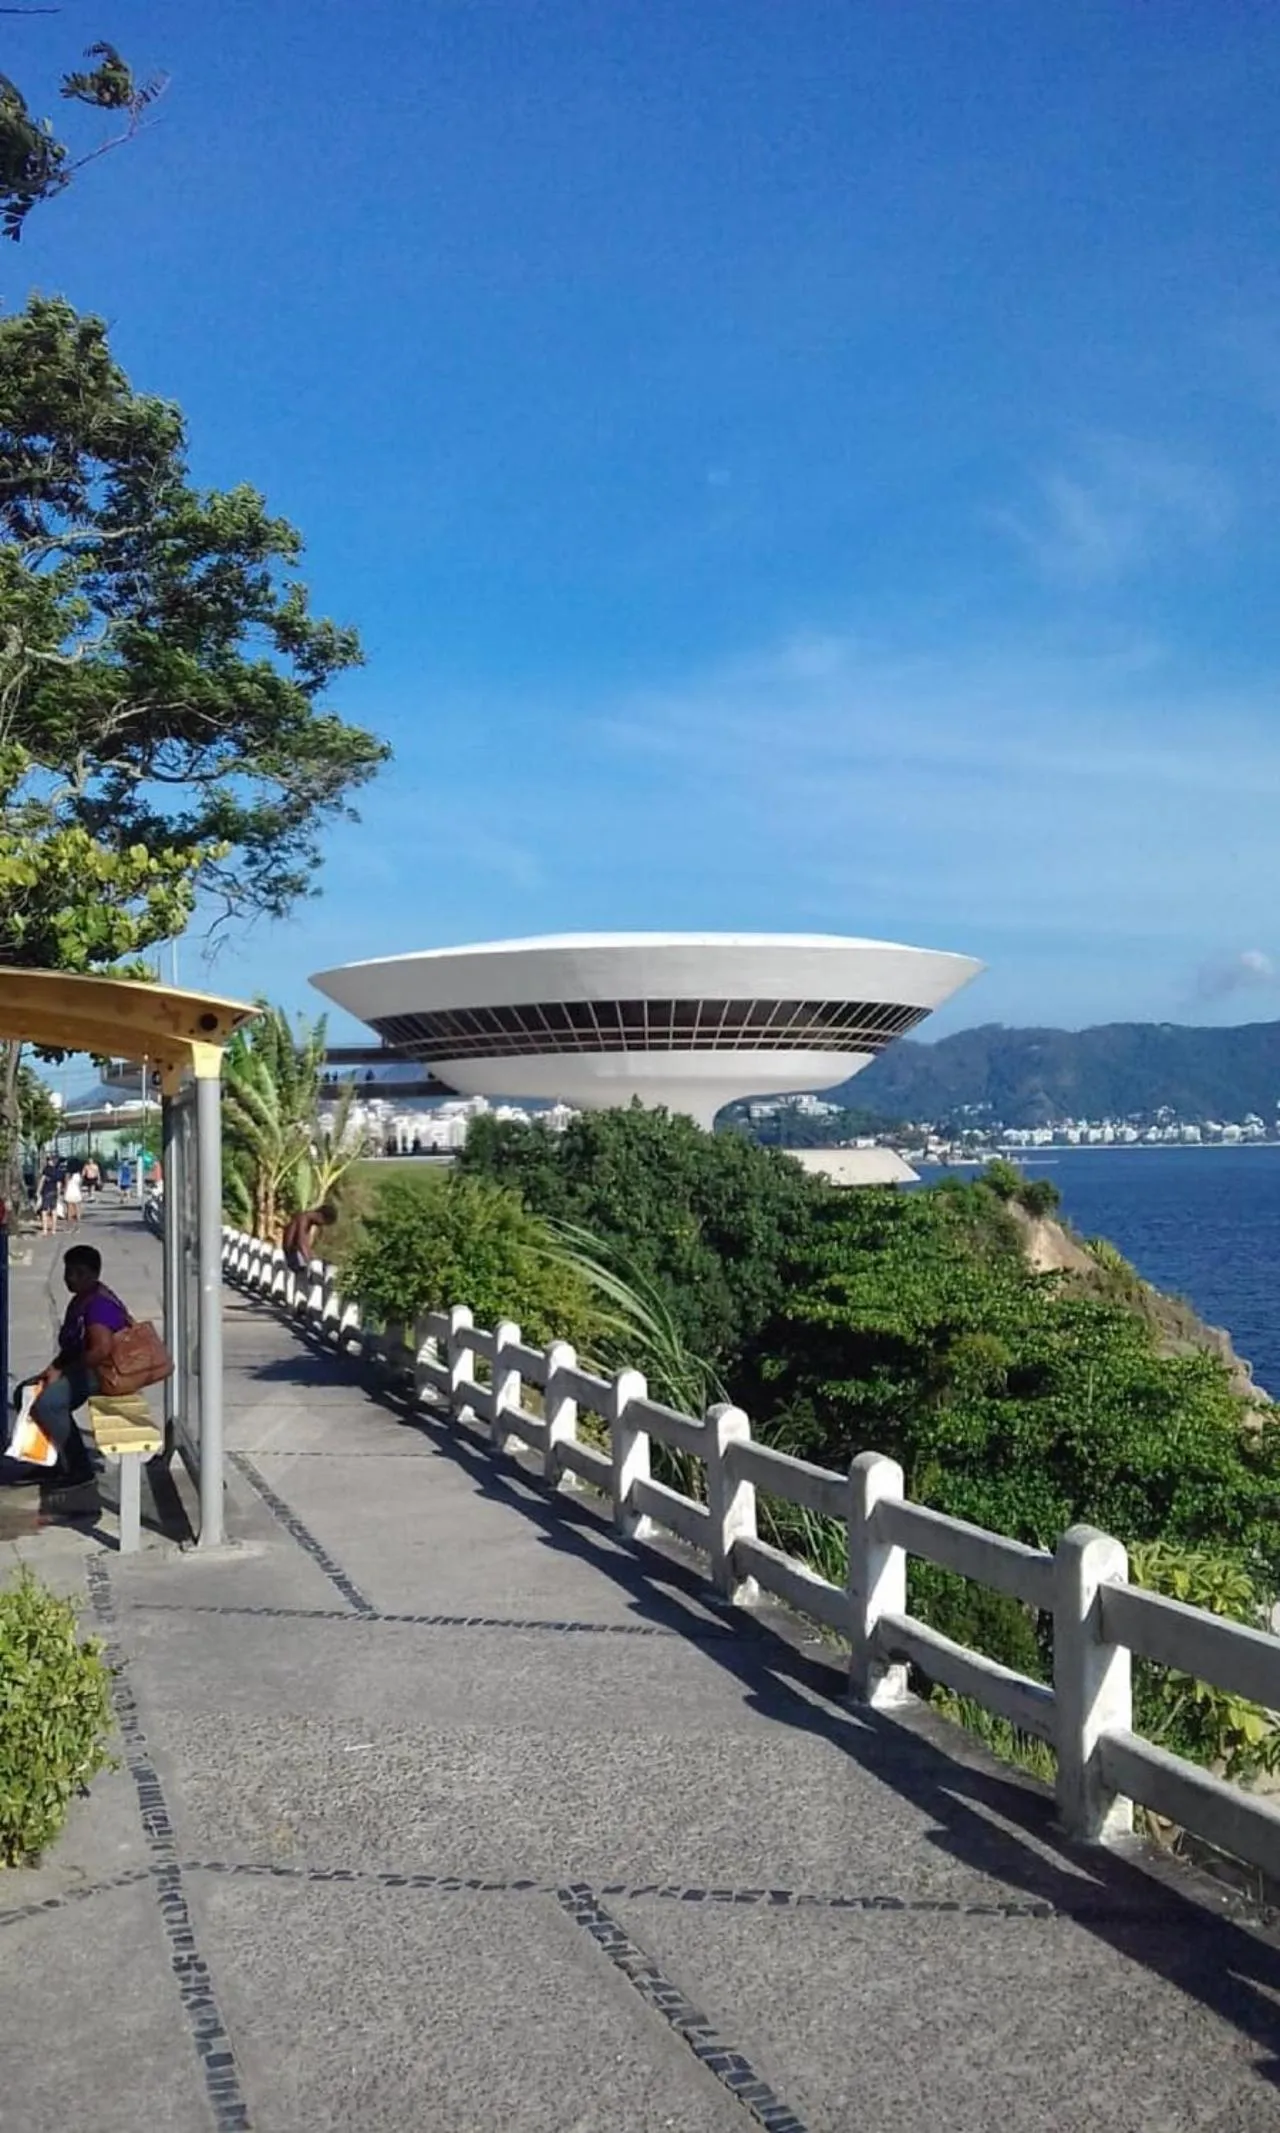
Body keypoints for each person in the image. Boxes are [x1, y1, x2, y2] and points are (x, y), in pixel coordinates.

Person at [29, 1243, 132, 1493]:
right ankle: (52, 1458)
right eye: (68, 1272)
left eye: (79, 1273)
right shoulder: (82, 1299)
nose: (70, 1278)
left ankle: (78, 1469)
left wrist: (63, 1372)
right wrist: (54, 1367)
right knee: (27, 1391)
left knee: (49, 1403)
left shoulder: (98, 1305)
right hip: (86, 1368)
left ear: (94, 1274)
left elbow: (101, 1350)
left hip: (105, 1372)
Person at [282, 1202, 338, 1275]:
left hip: (294, 1254)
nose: (320, 1225)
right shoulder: (303, 1219)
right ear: (320, 1216)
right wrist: (309, 1261)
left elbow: (306, 1246)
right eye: (323, 1222)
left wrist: (314, 1258)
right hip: (290, 1255)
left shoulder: (308, 1223)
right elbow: (301, 1243)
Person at [37, 1156, 60, 1237]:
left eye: (48, 1160)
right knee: (54, 1210)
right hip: (54, 1192)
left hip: (46, 1191)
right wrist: (59, 1193)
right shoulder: (57, 1171)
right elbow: (58, 1184)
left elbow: (42, 1180)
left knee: (44, 1211)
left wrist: (38, 1191)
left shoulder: (46, 1169)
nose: (47, 1161)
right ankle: (53, 1230)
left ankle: (45, 1230)